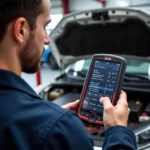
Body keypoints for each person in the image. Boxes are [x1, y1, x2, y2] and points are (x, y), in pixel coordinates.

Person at [0, 0, 137, 150]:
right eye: (45, 26)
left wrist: (54, 118)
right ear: (21, 30)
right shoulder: (60, 131)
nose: (47, 39)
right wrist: (118, 131)